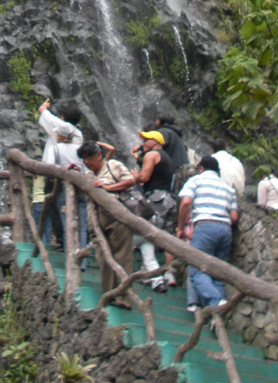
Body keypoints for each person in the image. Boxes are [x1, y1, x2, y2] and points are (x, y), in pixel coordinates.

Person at [177, 155, 238, 310]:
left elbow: (185, 202)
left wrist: (180, 228)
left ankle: (217, 301)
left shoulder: (197, 180)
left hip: (205, 227)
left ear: (201, 168)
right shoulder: (228, 188)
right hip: (225, 230)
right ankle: (216, 313)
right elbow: (234, 217)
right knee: (218, 273)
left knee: (197, 269)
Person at [77, 140, 134, 305]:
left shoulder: (113, 165)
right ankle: (109, 295)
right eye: (84, 159)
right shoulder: (88, 175)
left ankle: (124, 297)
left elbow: (130, 180)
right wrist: (74, 171)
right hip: (95, 222)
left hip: (117, 217)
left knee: (122, 256)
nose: (87, 162)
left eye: (89, 158)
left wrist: (108, 188)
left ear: (99, 155)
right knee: (103, 259)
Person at [38, 98, 87, 254]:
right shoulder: (78, 135)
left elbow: (41, 111)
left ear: (63, 118)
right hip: (76, 179)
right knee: (77, 216)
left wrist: (45, 106)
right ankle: (78, 249)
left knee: (58, 210)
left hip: (56, 179)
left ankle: (63, 245)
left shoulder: (58, 127)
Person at [129, 130, 177, 290]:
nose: (143, 143)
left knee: (146, 233)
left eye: (146, 140)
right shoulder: (167, 158)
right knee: (167, 238)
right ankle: (169, 272)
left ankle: (148, 274)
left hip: (156, 199)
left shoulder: (151, 155)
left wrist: (134, 176)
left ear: (155, 141)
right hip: (169, 199)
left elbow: (144, 178)